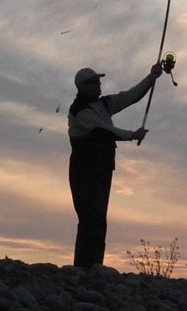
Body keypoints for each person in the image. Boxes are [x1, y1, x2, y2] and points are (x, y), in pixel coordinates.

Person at [67, 64, 162, 268]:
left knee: (99, 218)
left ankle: (93, 266)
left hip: (102, 169)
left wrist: (151, 77)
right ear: (83, 87)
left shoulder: (102, 105)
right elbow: (104, 131)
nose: (99, 84)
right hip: (84, 171)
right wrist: (132, 135)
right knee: (89, 217)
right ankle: (83, 266)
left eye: (98, 81)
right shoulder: (79, 112)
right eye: (94, 82)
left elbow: (130, 96)